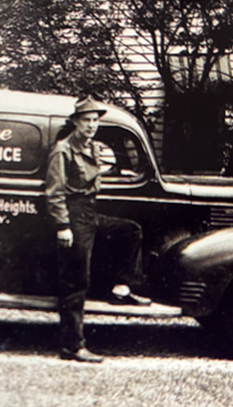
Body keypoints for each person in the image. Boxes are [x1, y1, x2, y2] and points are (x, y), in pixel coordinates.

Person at [45, 95, 151, 363]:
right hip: (74, 215)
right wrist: (63, 226)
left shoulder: (91, 148)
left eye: (95, 121)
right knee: (76, 280)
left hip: (90, 212)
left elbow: (94, 176)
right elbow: (55, 193)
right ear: (76, 122)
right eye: (86, 120)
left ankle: (121, 288)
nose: (91, 125)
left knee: (130, 231)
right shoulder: (63, 150)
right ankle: (72, 346)